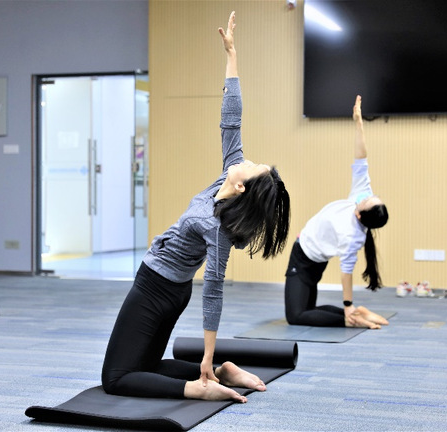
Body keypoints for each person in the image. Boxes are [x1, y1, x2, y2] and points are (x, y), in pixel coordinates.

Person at [101, 11, 291, 403]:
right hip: (171, 288)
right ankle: (223, 372)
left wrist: (205, 354)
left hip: (155, 287)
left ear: (242, 185)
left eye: (253, 165)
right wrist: (231, 56)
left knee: (116, 379)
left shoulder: (218, 226)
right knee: (145, 365)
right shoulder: (228, 176)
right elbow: (231, 118)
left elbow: (214, 292)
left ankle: (200, 388)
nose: (247, 158)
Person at [284, 95, 389, 329]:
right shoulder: (360, 195)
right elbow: (361, 158)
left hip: (305, 257)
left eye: (366, 201)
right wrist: (359, 124)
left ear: (360, 215)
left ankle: (352, 319)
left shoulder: (353, 236)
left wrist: (348, 304)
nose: (366, 197)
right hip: (313, 256)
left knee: (296, 316)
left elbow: (346, 273)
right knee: (305, 310)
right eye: (371, 196)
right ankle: (358, 314)